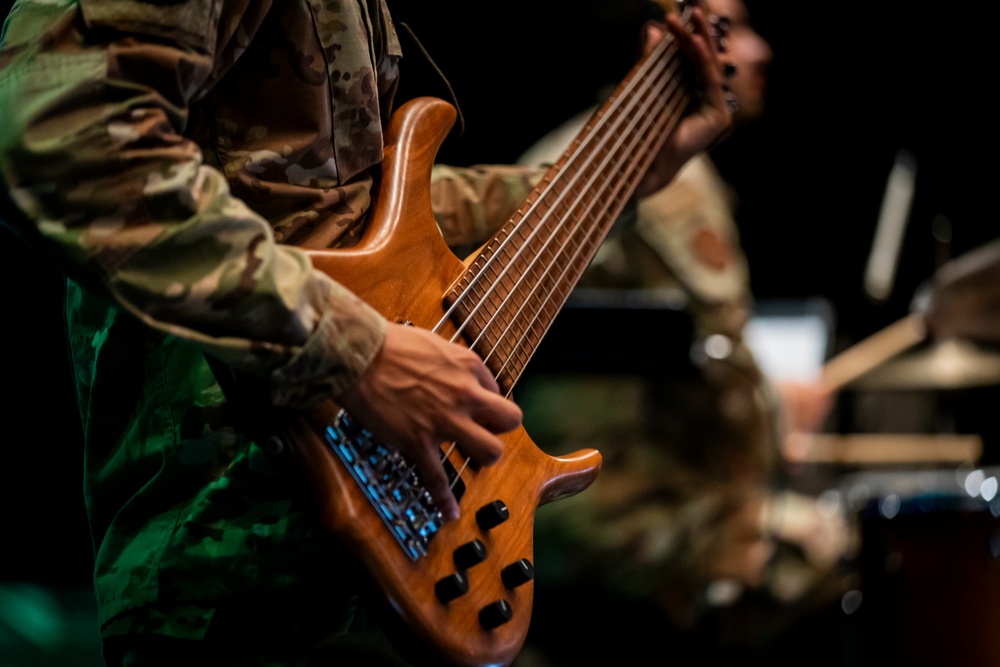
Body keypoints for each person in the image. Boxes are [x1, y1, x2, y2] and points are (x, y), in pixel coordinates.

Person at [0, 0, 732, 664]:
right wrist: (358, 350)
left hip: (372, 550)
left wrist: (623, 173)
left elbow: (351, 214)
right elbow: (64, 135)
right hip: (233, 552)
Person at [512, 1, 857, 664]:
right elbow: (736, 400)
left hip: (549, 505)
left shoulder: (575, 152)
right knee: (838, 550)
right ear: (657, 48)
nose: (759, 51)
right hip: (598, 517)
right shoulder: (663, 184)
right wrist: (776, 413)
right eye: (729, 32)